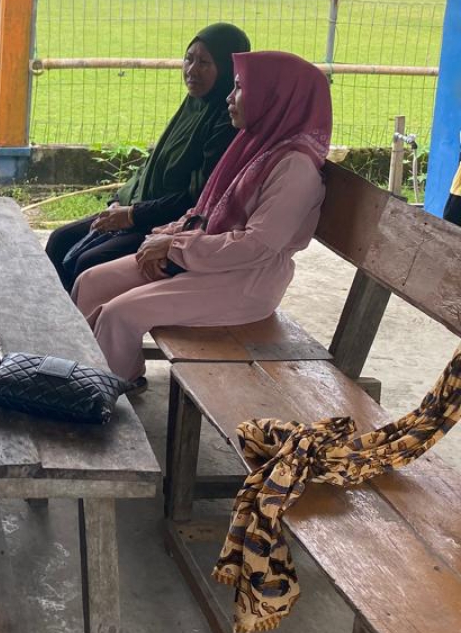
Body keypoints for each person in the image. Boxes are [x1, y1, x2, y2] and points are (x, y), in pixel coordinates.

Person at [72, 51, 332, 387]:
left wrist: (174, 248)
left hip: (246, 281)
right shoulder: (255, 144)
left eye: (240, 88)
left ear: (274, 97)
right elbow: (205, 211)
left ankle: (104, 395)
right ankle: (113, 376)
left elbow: (257, 246)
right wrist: (165, 238)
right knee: (91, 282)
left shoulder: (295, 167)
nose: (229, 97)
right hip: (207, 258)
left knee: (119, 314)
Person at [46, 23, 251, 291]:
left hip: (169, 225)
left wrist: (133, 215)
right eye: (189, 59)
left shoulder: (226, 122)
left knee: (88, 261)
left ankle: (83, 318)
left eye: (204, 63)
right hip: (138, 208)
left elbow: (198, 198)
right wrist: (119, 201)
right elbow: (152, 164)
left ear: (226, 69)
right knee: (60, 240)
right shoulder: (193, 105)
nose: (192, 70)